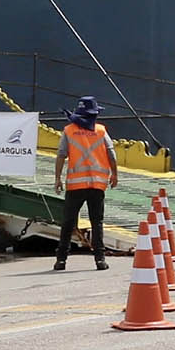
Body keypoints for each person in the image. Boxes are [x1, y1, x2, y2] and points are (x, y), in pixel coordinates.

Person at [53, 97, 117, 271]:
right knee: (97, 222)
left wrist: (57, 178)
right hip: (97, 186)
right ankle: (100, 260)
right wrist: (115, 175)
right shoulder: (101, 131)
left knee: (68, 223)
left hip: (75, 186)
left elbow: (61, 155)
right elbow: (111, 154)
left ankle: (61, 260)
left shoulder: (69, 130)